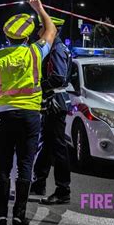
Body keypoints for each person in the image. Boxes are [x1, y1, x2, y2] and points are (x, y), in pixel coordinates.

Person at [0, 0, 56, 225]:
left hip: (3, 117)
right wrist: (39, 9)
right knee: (25, 166)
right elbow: (50, 30)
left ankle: (1, 215)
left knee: (3, 166)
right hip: (30, 117)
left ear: (7, 36)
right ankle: (20, 216)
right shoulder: (34, 53)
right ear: (26, 37)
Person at [30, 16, 73, 205]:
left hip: (55, 102)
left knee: (57, 147)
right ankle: (38, 184)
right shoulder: (54, 47)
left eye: (41, 28)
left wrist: (38, 87)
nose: (38, 32)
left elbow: (58, 77)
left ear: (50, 28)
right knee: (46, 145)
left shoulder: (57, 49)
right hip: (52, 102)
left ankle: (63, 190)